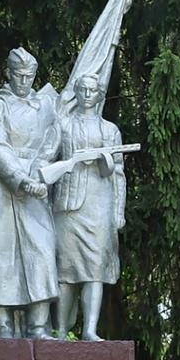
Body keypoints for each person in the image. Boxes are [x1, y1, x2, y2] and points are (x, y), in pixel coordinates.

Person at [0, 46, 61, 338]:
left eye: (30, 76)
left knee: (41, 250)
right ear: (8, 73)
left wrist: (39, 171)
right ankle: (3, 324)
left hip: (36, 184)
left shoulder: (46, 106)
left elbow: (53, 140)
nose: (24, 81)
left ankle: (38, 325)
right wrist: (19, 177)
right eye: (18, 75)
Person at [53, 72, 127, 341]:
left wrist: (118, 211)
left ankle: (89, 330)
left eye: (91, 91)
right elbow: (48, 158)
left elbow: (117, 173)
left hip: (99, 206)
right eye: (82, 90)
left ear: (98, 95)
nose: (86, 95)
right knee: (65, 270)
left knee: (94, 269)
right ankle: (60, 330)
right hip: (68, 205)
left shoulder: (110, 130)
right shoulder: (63, 124)